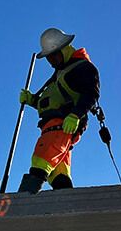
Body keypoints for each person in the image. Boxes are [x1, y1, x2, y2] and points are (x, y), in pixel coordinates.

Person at [17, 27, 100, 193]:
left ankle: (21, 204)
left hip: (61, 125)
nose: (51, 61)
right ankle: (67, 207)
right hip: (54, 125)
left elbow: (91, 93)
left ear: (65, 49)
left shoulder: (82, 68)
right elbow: (53, 101)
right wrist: (32, 100)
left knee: (41, 160)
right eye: (49, 58)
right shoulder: (59, 74)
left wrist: (75, 115)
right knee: (58, 173)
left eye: (54, 55)